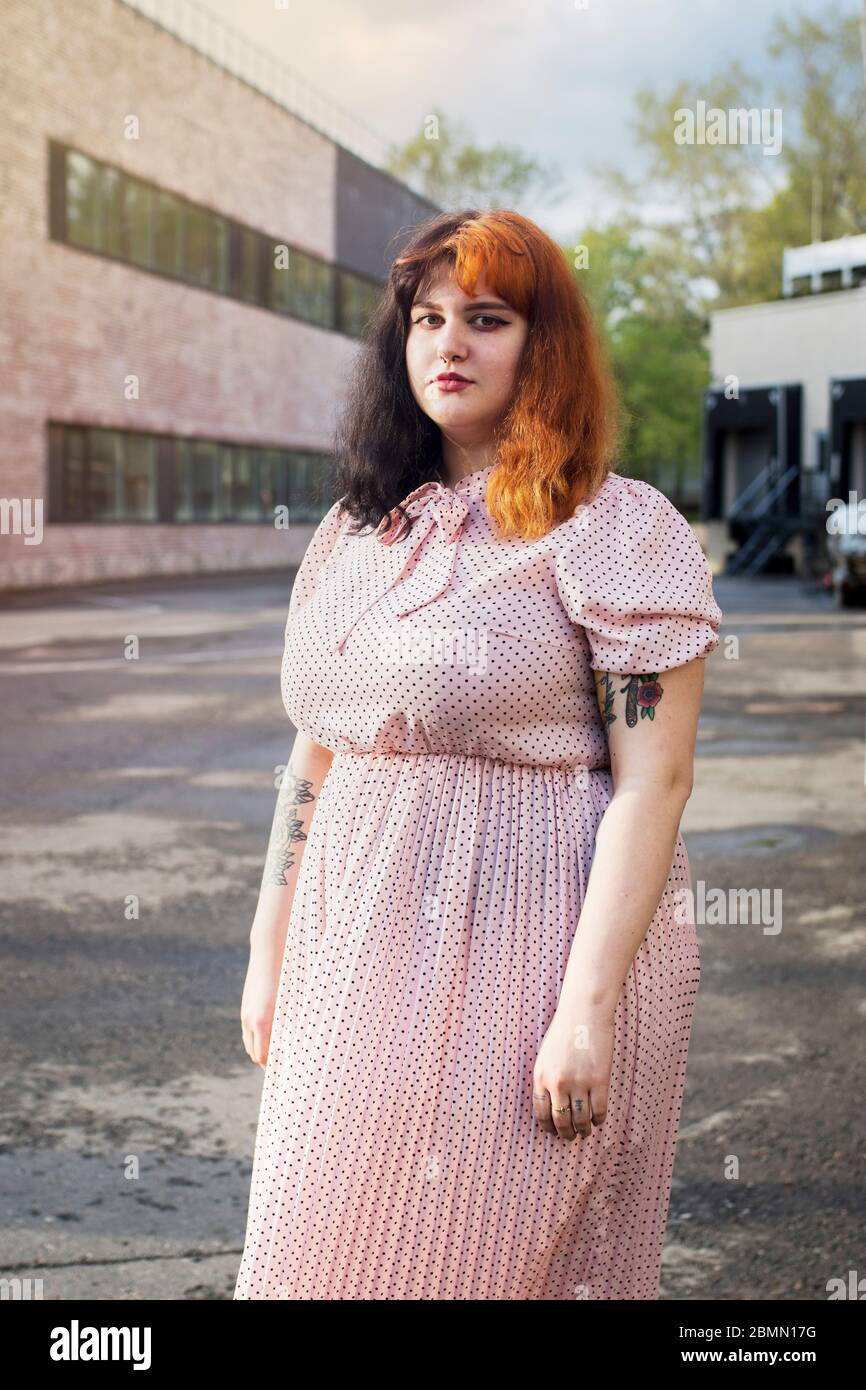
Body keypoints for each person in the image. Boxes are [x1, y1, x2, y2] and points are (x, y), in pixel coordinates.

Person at [233, 209, 722, 1301]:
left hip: (525, 957)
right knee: (316, 1259)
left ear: (539, 343)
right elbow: (311, 760)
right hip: (345, 959)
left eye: (487, 319)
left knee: (479, 1264)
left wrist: (584, 1008)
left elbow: (655, 783)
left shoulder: (611, 528)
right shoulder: (359, 532)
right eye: (427, 319)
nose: (448, 344)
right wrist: (269, 953)